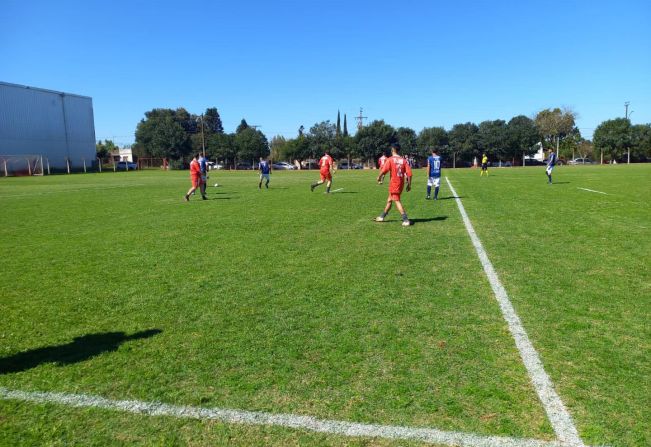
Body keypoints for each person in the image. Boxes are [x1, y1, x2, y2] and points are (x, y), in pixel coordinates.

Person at [375, 143, 412, 226]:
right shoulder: (403, 160)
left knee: (396, 200)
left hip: (394, 183)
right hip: (400, 183)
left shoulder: (390, 159)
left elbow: (384, 170)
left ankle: (405, 219)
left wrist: (379, 177)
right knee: (389, 199)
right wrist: (409, 185)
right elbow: (409, 173)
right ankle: (382, 216)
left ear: (393, 149)